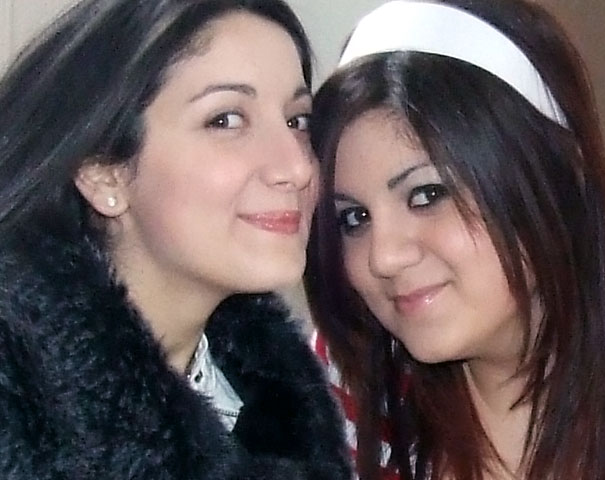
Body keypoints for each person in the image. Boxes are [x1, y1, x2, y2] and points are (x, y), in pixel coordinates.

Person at [306, 1, 605, 479]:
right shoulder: (336, 393)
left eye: (427, 195)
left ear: (557, 176)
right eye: (354, 218)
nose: (384, 257)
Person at [0, 0, 352, 478]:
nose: (296, 166)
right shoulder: (21, 407)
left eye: (298, 121)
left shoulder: (281, 411)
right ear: (104, 174)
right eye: (226, 120)